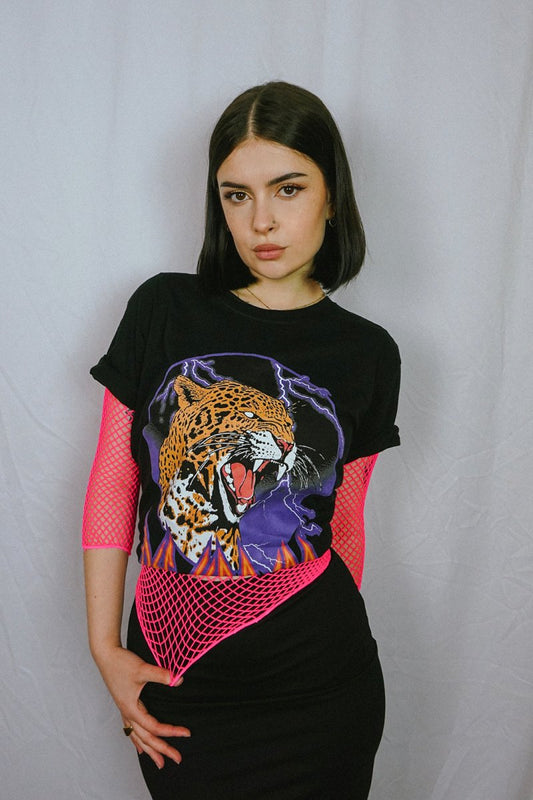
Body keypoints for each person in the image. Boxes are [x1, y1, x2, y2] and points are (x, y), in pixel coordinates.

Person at [83, 81, 401, 800]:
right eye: (236, 194)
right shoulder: (162, 307)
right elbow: (114, 480)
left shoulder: (368, 352)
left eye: (288, 188)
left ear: (331, 195)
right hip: (180, 677)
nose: (261, 220)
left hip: (321, 692)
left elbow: (344, 524)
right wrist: (104, 647)